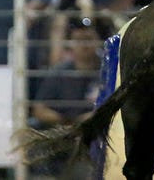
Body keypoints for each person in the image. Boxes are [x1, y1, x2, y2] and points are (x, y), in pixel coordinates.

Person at [29, 17, 109, 180]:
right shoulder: (59, 73)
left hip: (95, 136)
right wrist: (66, 121)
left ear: (98, 41)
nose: (84, 45)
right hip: (63, 133)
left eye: (88, 40)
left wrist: (91, 119)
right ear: (70, 44)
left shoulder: (108, 70)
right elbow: (39, 109)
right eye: (79, 40)